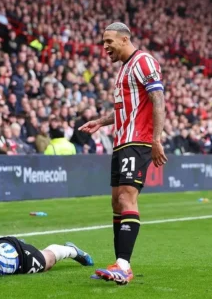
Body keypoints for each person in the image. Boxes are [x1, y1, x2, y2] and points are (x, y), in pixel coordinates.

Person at [78, 22, 167, 285]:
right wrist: (101, 122)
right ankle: (119, 264)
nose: (105, 47)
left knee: (127, 197)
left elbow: (158, 99)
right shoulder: (124, 69)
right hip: (121, 141)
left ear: (125, 39)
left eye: (109, 41)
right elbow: (123, 110)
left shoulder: (143, 62)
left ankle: (124, 265)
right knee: (116, 202)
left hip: (137, 141)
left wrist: (156, 139)